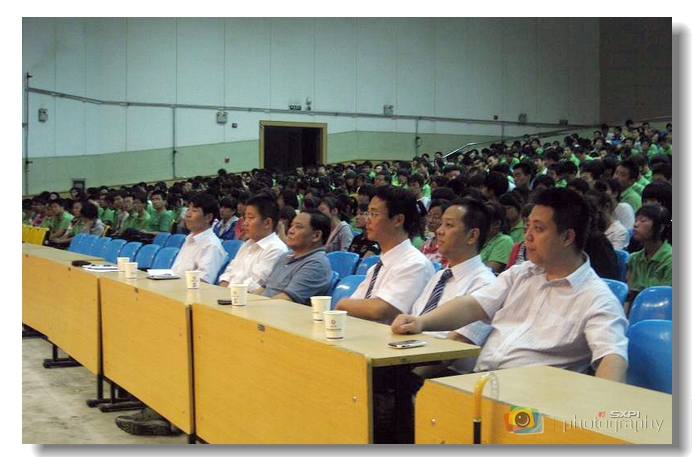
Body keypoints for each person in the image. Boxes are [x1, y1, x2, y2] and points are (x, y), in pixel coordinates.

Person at [392, 187, 629, 383]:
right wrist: (422, 322)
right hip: (482, 383)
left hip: (531, 404)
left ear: (567, 237)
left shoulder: (596, 298)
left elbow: (611, 356)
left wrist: (600, 411)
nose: (528, 237)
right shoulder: (521, 273)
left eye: (538, 229)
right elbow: (472, 306)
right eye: (528, 227)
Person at [116, 192, 227, 436]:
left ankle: (164, 414)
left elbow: (203, 283)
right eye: (188, 209)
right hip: (173, 303)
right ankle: (152, 403)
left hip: (191, 310)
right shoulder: (189, 239)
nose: (188, 214)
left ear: (209, 217)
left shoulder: (211, 245)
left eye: (194, 210)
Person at [410, 197, 497, 378]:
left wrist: (408, 380)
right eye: (441, 224)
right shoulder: (440, 276)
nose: (439, 231)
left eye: (449, 225)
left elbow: (455, 347)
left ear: (472, 236)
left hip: (444, 374)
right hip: (408, 356)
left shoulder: (485, 285)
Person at [335, 185, 435, 325]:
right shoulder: (378, 266)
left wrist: (342, 303)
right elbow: (356, 304)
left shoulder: (415, 264)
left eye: (374, 214)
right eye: (368, 213)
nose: (368, 219)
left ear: (398, 220)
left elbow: (380, 310)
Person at [258, 210, 333, 305]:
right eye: (291, 225)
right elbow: (263, 288)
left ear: (316, 236)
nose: (290, 231)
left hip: (278, 311)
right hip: (261, 307)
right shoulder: (285, 256)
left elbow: (284, 301)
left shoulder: (316, 265)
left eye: (298, 227)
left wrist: (253, 308)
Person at [218, 194, 288, 292]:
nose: (245, 223)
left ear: (267, 223)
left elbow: (254, 285)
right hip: (229, 295)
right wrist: (222, 292)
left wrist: (227, 294)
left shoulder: (276, 250)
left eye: (250, 218)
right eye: (245, 218)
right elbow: (228, 272)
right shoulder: (247, 244)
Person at [626, 204, 672, 299]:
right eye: (636, 220)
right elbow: (628, 296)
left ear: (660, 228)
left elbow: (668, 298)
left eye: (642, 221)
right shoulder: (634, 259)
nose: (635, 224)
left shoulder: (671, 260)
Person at [479, 200, 514, 274]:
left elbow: (488, 271)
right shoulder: (477, 240)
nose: (478, 224)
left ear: (497, 224)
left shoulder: (505, 241)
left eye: (483, 221)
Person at [419, 199, 449, 267]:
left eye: (436, 217)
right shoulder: (425, 244)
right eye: (429, 216)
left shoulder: (448, 246)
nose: (430, 220)